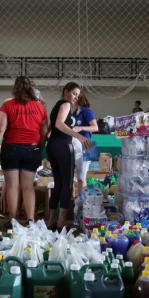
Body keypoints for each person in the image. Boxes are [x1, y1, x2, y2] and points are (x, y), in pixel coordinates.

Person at [0, 76, 48, 222]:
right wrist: (39, 147)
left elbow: (1, 128)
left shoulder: (8, 105)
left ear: (15, 88)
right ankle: (30, 220)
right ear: (31, 88)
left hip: (11, 149)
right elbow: (45, 130)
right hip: (32, 149)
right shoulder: (40, 106)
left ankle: (13, 219)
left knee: (12, 186)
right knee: (28, 186)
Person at [46, 82, 92, 229]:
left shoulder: (57, 105)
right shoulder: (65, 104)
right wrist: (78, 136)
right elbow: (59, 124)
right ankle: (61, 223)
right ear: (66, 91)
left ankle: (51, 220)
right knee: (67, 185)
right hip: (63, 146)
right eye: (73, 93)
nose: (75, 97)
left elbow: (50, 127)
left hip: (53, 145)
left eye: (77, 95)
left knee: (58, 184)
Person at [73, 93, 98, 189]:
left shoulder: (87, 111)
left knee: (82, 178)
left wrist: (81, 128)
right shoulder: (74, 113)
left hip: (87, 145)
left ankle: (83, 201)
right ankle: (78, 199)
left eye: (75, 97)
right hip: (77, 145)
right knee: (77, 177)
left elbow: (95, 127)